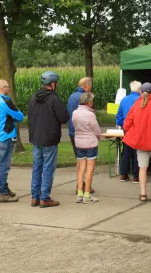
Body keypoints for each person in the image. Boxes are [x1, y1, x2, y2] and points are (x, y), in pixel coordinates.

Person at [29, 71, 70, 208]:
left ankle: (35, 197)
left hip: (36, 137)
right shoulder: (54, 99)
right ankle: (44, 198)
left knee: (37, 168)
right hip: (50, 138)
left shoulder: (34, 97)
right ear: (52, 84)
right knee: (48, 168)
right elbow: (64, 117)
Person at [0, 79, 24, 203]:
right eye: (7, 87)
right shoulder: (5, 101)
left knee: (1, 164)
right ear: (3, 88)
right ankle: (3, 193)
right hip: (6, 136)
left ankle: (4, 188)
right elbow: (20, 116)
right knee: (4, 166)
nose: (9, 89)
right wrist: (14, 119)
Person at [67, 77, 95, 194]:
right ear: (87, 86)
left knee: (79, 159)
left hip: (73, 131)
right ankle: (83, 186)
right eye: (91, 86)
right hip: (84, 133)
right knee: (87, 162)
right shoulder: (84, 97)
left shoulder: (71, 96)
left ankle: (80, 185)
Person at [72, 92, 101, 204]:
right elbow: (97, 129)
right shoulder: (90, 115)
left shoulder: (75, 113)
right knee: (90, 169)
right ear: (89, 102)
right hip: (90, 143)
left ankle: (79, 193)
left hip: (79, 143)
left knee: (81, 169)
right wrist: (98, 136)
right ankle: (87, 194)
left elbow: (74, 125)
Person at [115, 80, 141, 183]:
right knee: (137, 152)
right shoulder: (140, 100)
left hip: (127, 129)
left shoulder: (124, 100)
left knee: (126, 151)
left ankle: (123, 174)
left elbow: (119, 117)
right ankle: (136, 176)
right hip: (138, 129)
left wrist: (123, 125)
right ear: (139, 89)